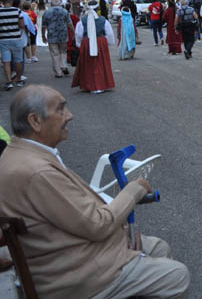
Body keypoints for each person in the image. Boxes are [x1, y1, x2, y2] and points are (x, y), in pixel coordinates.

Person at [0, 85, 190, 298]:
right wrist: (134, 190)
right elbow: (98, 225)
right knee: (177, 276)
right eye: (61, 110)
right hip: (76, 275)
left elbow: (77, 217)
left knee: (158, 247)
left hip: (71, 254)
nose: (69, 116)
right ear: (35, 121)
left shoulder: (20, 154)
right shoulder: (37, 171)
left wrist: (118, 233)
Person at [72, 0, 116, 94]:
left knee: (88, 64)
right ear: (98, 9)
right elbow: (109, 34)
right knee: (100, 63)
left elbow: (78, 34)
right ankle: (101, 84)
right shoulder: (103, 20)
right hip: (100, 42)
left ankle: (90, 85)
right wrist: (108, 43)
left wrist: (79, 44)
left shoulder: (82, 21)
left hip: (86, 42)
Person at [41, 0, 74, 78]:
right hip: (63, 34)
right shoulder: (64, 11)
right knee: (63, 51)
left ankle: (58, 72)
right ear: (60, 4)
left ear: (51, 4)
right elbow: (70, 23)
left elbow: (44, 26)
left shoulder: (47, 12)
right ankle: (64, 66)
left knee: (55, 53)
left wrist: (43, 35)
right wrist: (73, 32)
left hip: (52, 35)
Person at [0, 0, 25, 90]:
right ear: (11, 1)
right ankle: (19, 80)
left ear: (2, 2)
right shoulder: (17, 11)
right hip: (16, 38)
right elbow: (22, 24)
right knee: (18, 60)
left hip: (3, 39)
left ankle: (9, 82)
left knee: (6, 61)